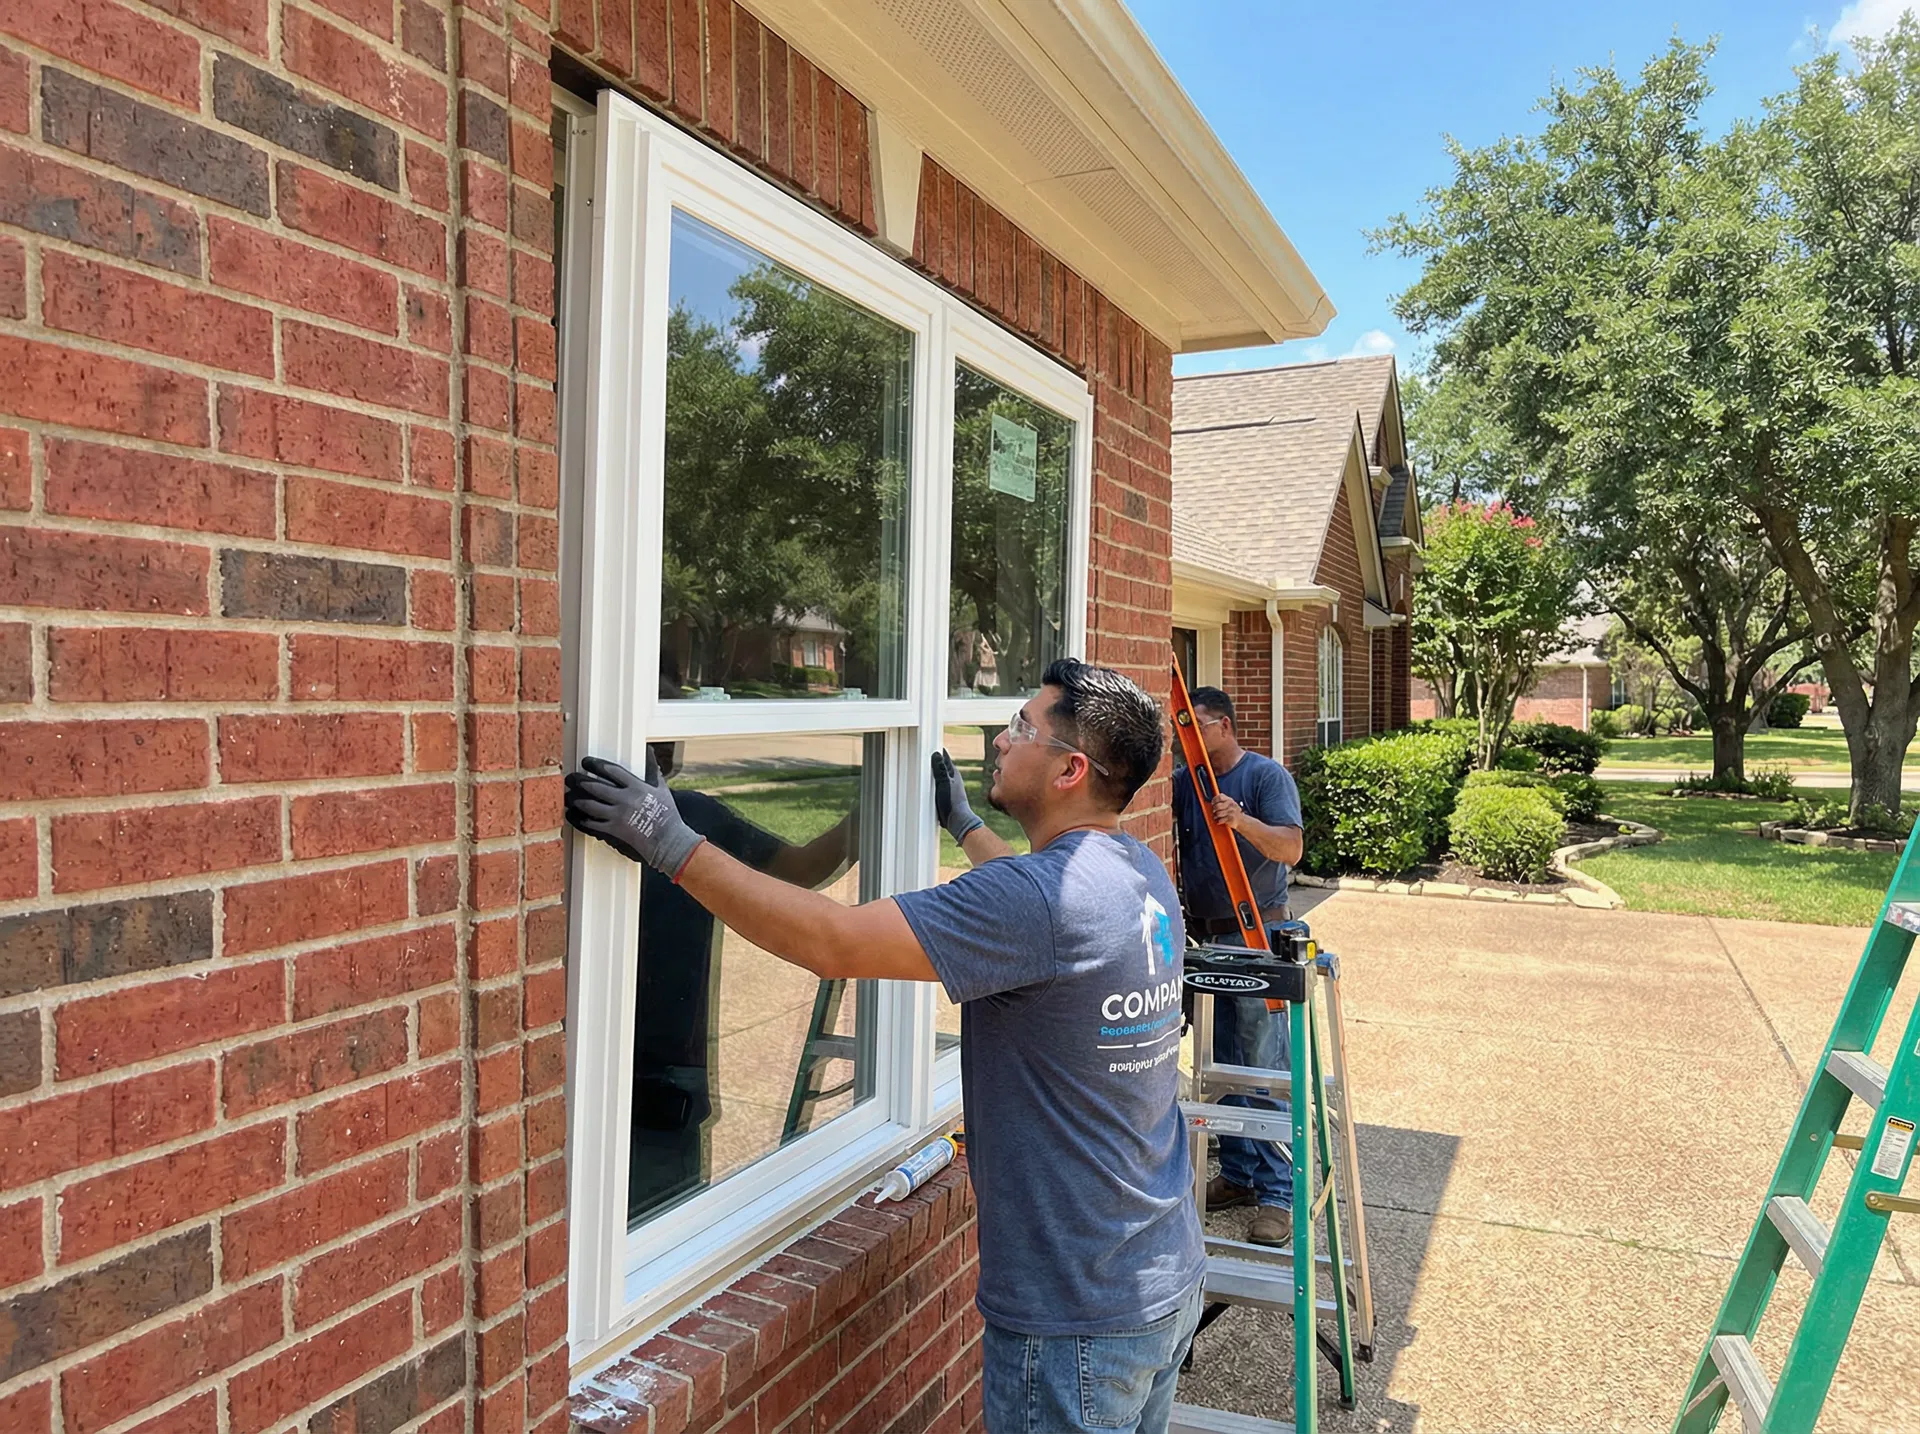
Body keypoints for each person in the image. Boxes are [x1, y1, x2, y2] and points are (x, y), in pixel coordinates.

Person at [567, 659, 1205, 1434]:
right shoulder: (1134, 870)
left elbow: (832, 941)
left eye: (1021, 727)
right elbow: (1040, 907)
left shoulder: (1029, 904)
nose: (999, 739)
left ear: (1071, 769)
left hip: (1075, 1321)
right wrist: (965, 824)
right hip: (1162, 1277)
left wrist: (669, 843)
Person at [627, 736, 859, 1220]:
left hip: (669, 1087)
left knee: (662, 1233)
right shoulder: (686, 815)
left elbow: (798, 870)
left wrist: (870, 809)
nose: (672, 745)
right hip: (644, 1079)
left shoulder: (693, 818)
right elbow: (802, 870)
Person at [1171, 686, 1304, 1248]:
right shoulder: (1183, 784)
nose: (1188, 741)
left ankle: (1278, 1195)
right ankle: (1241, 1175)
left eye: (1197, 727)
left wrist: (1241, 821)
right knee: (1220, 1061)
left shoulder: (1264, 777)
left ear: (1223, 726)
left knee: (1261, 1064)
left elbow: (1291, 848)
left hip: (1257, 934)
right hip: (1207, 938)